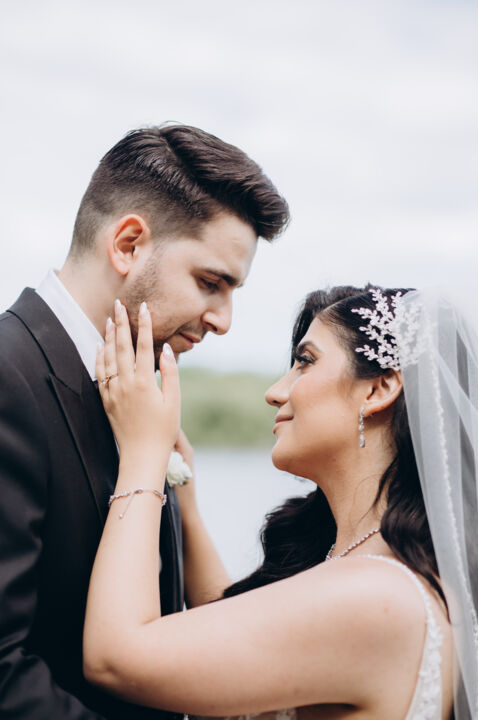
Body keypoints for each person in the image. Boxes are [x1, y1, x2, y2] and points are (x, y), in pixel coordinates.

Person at [83, 283, 478, 719]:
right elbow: (234, 633)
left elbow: (115, 657)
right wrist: (188, 511)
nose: (275, 391)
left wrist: (143, 454)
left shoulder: (377, 597)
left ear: (378, 389)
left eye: (305, 362)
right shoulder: (371, 567)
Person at [0, 124, 289, 720]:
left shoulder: (140, 399)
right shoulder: (9, 376)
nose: (224, 320)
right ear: (129, 245)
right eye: (210, 283)